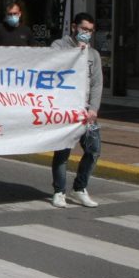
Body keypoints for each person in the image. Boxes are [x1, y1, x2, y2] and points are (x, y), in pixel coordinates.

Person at [51, 12, 102, 209]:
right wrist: (75, 53)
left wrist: (94, 109)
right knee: (63, 152)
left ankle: (80, 188)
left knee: (94, 150)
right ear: (74, 27)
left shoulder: (94, 55)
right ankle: (59, 191)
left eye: (90, 30)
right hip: (65, 109)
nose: (86, 33)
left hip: (85, 111)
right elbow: (50, 65)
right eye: (83, 29)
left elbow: (97, 84)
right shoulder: (59, 46)